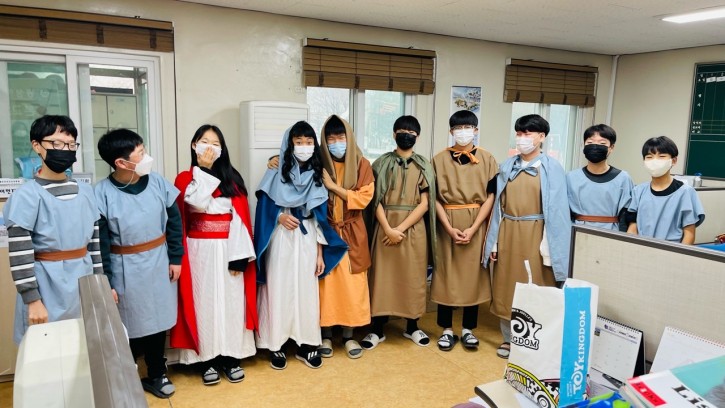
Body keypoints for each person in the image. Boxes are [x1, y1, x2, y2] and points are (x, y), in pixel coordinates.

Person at [95, 128, 182, 399]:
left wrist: (176, 258)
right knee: (127, 324)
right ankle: (128, 376)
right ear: (121, 163)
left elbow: (174, 222)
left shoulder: (157, 183)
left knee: (157, 320)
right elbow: (101, 242)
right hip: (124, 266)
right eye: (140, 154)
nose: (147, 158)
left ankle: (156, 372)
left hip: (158, 261)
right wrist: (107, 280)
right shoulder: (102, 193)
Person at [255, 121, 347, 370]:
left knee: (306, 292)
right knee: (278, 288)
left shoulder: (316, 175)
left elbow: (320, 218)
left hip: (307, 240)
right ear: (290, 144)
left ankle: (306, 344)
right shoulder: (275, 172)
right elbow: (263, 209)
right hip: (281, 238)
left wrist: (320, 253)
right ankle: (276, 344)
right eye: (299, 142)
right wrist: (279, 217)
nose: (304, 147)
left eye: (308, 142)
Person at [3, 115, 102, 344]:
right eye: (56, 143)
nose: (65, 150)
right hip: (46, 287)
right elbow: (20, 255)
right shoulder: (26, 196)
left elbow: (95, 247)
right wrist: (32, 300)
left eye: (71, 145)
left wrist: (100, 286)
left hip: (84, 281)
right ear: (37, 145)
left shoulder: (87, 192)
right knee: (47, 350)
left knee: (83, 347)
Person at [171, 125, 257, 385]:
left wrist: (240, 256)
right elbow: (196, 203)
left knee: (231, 302)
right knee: (204, 302)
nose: (210, 147)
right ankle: (206, 359)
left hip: (230, 248)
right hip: (199, 252)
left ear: (222, 149)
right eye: (205, 141)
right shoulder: (185, 178)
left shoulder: (233, 179)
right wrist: (204, 170)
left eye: (216, 143)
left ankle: (231, 356)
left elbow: (240, 218)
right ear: (194, 145)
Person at [483, 114, 571, 359]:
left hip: (537, 234)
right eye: (519, 133)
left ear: (541, 137)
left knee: (537, 286)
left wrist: (551, 247)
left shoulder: (552, 168)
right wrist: (494, 242)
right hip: (508, 231)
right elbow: (498, 207)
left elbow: (557, 212)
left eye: (528, 133)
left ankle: (537, 340)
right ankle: (509, 339)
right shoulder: (507, 166)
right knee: (507, 286)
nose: (522, 138)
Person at [362, 115, 437, 350]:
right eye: (402, 131)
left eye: (411, 132)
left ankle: (412, 326)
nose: (407, 135)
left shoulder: (424, 165)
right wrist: (387, 228)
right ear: (394, 134)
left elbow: (425, 203)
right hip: (384, 226)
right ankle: (377, 329)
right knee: (381, 277)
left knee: (413, 277)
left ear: (417, 137)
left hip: (412, 229)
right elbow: (374, 200)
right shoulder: (380, 163)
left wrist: (400, 229)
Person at [430, 110, 498, 352]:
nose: (462, 132)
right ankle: (446, 329)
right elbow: (433, 198)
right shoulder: (438, 160)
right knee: (446, 273)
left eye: (467, 127)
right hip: (446, 220)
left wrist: (475, 227)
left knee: (473, 275)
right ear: (451, 131)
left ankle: (469, 329)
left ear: (475, 130)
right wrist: (448, 228)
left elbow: (491, 196)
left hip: (476, 221)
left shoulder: (488, 159)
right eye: (458, 128)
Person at [318, 115, 375, 359]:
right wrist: (274, 159)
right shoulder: (319, 162)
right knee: (326, 286)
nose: (336, 143)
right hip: (327, 232)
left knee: (353, 285)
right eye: (330, 139)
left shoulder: (362, 164)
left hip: (352, 233)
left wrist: (333, 187)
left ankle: (350, 336)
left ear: (349, 137)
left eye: (340, 137)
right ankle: (326, 335)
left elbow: (363, 199)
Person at [626, 136, 705, 244]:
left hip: (671, 249)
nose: (654, 161)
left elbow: (689, 234)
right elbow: (632, 228)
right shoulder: (638, 191)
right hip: (641, 248)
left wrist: (678, 254)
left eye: (661, 156)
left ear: (674, 160)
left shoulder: (685, 192)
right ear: (644, 161)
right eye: (649, 157)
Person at [567, 124, 634, 231]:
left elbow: (626, 215)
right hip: (577, 232)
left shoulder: (623, 178)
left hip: (611, 234)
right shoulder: (571, 178)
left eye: (602, 143)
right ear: (583, 146)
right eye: (590, 142)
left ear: (611, 148)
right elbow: (565, 212)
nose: (595, 146)